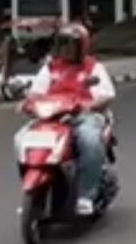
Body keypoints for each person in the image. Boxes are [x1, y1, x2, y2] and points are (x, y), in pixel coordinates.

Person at [28, 22, 115, 215]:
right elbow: (35, 93)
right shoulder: (50, 68)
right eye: (62, 43)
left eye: (70, 44)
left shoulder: (93, 67)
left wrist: (88, 105)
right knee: (25, 137)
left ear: (81, 46)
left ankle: (86, 195)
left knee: (89, 141)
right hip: (53, 118)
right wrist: (28, 103)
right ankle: (38, 190)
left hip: (84, 117)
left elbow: (106, 94)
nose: (65, 48)